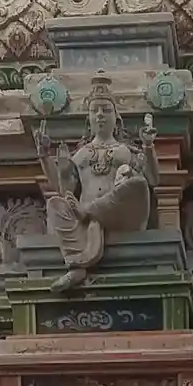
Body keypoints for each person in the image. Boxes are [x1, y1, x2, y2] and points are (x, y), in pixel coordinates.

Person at [36, 79, 153, 290]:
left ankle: (87, 212)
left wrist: (149, 146)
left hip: (116, 214)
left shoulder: (126, 151)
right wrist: (44, 156)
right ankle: (77, 264)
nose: (100, 114)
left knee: (137, 186)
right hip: (83, 217)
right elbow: (63, 188)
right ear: (88, 118)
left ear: (116, 118)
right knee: (55, 204)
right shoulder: (80, 154)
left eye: (106, 110)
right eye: (95, 110)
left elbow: (153, 179)